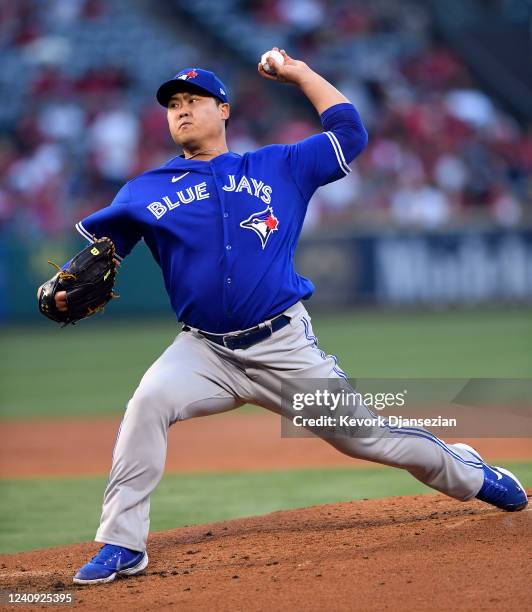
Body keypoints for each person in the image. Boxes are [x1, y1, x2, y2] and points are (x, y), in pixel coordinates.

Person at [39, 49, 527, 585]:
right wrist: (59, 288)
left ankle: (471, 473)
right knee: (147, 404)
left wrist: (299, 73)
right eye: (173, 104)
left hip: (284, 346)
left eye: (194, 101)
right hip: (204, 351)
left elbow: (350, 132)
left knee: (368, 439)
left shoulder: (278, 166)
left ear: (223, 111)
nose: (181, 111)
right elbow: (96, 255)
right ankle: (122, 544)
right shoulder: (144, 190)